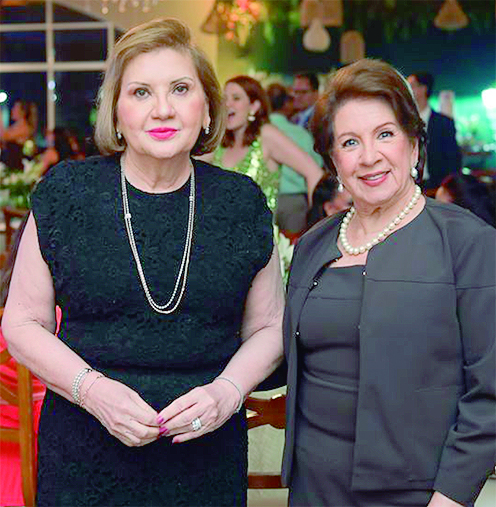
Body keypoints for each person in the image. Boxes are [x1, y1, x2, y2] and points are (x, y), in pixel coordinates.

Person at [2, 18, 284, 506]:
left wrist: (228, 391)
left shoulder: (241, 202)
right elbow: (22, 322)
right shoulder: (66, 193)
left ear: (207, 108)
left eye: (180, 89)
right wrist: (92, 392)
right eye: (140, 92)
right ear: (116, 112)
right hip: (84, 452)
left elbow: (269, 327)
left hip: (206, 457)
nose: (163, 109)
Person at [283, 59, 495, 507]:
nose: (369, 156)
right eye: (349, 142)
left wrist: (451, 496)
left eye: (384, 134)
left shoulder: (467, 242)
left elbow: (490, 389)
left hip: (418, 491)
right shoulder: (313, 244)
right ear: (334, 161)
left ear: (414, 145)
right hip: (313, 485)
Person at [208, 75, 323, 213]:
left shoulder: (266, 135)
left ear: (254, 106)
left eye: (236, 98)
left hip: (262, 226)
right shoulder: (221, 145)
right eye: (224, 99)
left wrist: (318, 220)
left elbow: (314, 172)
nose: (227, 104)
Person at [266, 82, 323, 237]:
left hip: (266, 198)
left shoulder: (257, 133)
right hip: (295, 202)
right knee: (293, 245)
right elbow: (317, 166)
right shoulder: (300, 134)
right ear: (286, 104)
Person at [407, 72, 462, 190]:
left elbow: (453, 158)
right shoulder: (402, 121)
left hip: (436, 185)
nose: (407, 89)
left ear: (423, 89)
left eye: (411, 85)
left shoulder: (444, 122)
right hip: (407, 184)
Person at [0, 100, 38, 171]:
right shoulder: (14, 126)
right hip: (7, 164)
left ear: (23, 112)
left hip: (14, 167)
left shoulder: (25, 127)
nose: (12, 110)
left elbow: (3, 136)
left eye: (15, 108)